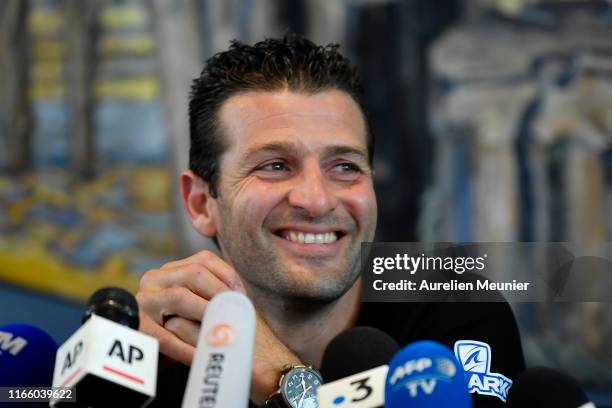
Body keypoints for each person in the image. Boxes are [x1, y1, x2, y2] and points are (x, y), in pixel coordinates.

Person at [136, 33, 524, 408]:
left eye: (344, 167)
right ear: (202, 203)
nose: (317, 200)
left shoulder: (451, 307)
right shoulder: (156, 348)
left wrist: (280, 379)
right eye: (274, 166)